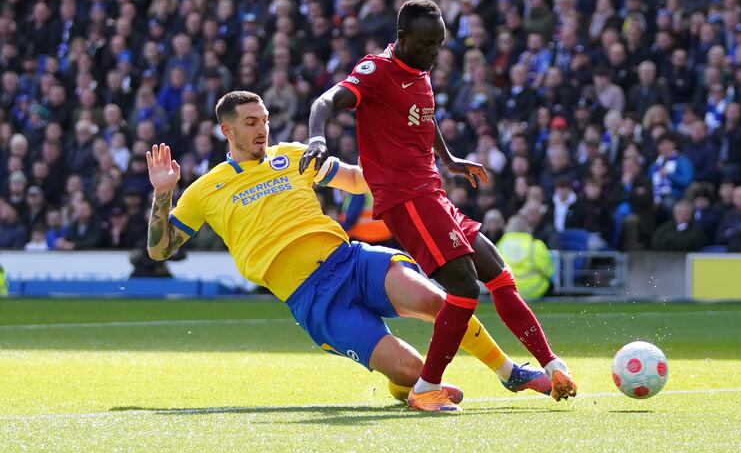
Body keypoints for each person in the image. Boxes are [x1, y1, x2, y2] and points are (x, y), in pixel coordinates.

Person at [146, 91, 551, 412]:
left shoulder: (291, 156)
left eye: (265, 120)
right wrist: (162, 196)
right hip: (314, 299)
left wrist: (405, 167)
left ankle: (509, 372)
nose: (262, 129)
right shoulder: (205, 190)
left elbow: (357, 180)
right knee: (411, 369)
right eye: (251, 123)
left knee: (441, 301)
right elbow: (160, 250)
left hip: (351, 260)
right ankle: (408, 387)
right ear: (226, 131)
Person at [300, 0, 576, 411]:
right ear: (402, 38)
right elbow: (323, 103)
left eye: (439, 43)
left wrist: (448, 160)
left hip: (433, 192)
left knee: (498, 275)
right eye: (426, 43)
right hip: (406, 197)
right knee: (463, 287)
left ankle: (552, 364)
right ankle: (426, 387)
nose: (434, 52)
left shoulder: (421, 73)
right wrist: (318, 139)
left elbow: (422, 120)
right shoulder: (376, 71)